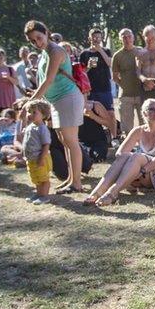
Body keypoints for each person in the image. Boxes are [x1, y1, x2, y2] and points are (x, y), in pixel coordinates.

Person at [26, 20, 88, 194]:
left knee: (71, 142)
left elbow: (49, 79)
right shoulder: (45, 52)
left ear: (46, 32)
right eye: (33, 41)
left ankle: (77, 183)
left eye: (39, 38)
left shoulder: (56, 51)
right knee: (65, 142)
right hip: (57, 102)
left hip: (68, 99)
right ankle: (71, 179)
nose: (37, 43)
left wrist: (30, 101)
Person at [84, 99, 155, 206]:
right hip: (138, 173)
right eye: (151, 109)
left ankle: (112, 193)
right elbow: (119, 154)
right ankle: (97, 192)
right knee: (126, 156)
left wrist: (141, 171)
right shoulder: (138, 130)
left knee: (137, 157)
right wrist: (131, 160)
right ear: (144, 113)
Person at [112, 28, 144, 138]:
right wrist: (124, 85)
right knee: (127, 127)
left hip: (141, 94)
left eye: (129, 36)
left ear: (133, 37)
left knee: (144, 124)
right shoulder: (117, 56)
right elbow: (115, 77)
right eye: (124, 37)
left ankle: (145, 147)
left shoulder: (141, 51)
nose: (127, 39)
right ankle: (129, 150)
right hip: (125, 96)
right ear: (120, 39)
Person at [22, 99, 53, 204]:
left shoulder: (42, 129)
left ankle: (44, 196)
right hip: (31, 158)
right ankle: (38, 194)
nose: (30, 114)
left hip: (40, 158)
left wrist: (42, 158)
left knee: (43, 178)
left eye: (34, 112)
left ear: (43, 115)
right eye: (29, 112)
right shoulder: (31, 126)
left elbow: (46, 145)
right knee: (36, 177)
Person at [79, 27, 113, 112]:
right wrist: (88, 67)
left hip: (105, 88)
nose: (96, 39)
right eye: (94, 37)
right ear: (89, 38)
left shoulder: (106, 51)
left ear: (101, 38)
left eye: (98, 37)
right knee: (92, 114)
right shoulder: (84, 53)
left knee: (109, 112)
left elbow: (110, 63)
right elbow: (81, 73)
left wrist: (100, 50)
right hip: (90, 90)